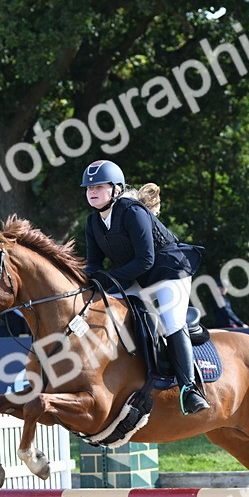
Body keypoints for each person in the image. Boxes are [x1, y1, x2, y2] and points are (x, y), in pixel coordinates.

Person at [80, 159, 209, 414]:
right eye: (88, 188)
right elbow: (93, 264)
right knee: (101, 310)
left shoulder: (132, 212)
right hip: (135, 275)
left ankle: (189, 389)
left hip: (168, 271)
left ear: (116, 189)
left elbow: (146, 259)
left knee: (171, 322)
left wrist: (109, 278)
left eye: (99, 186)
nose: (92, 191)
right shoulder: (93, 222)